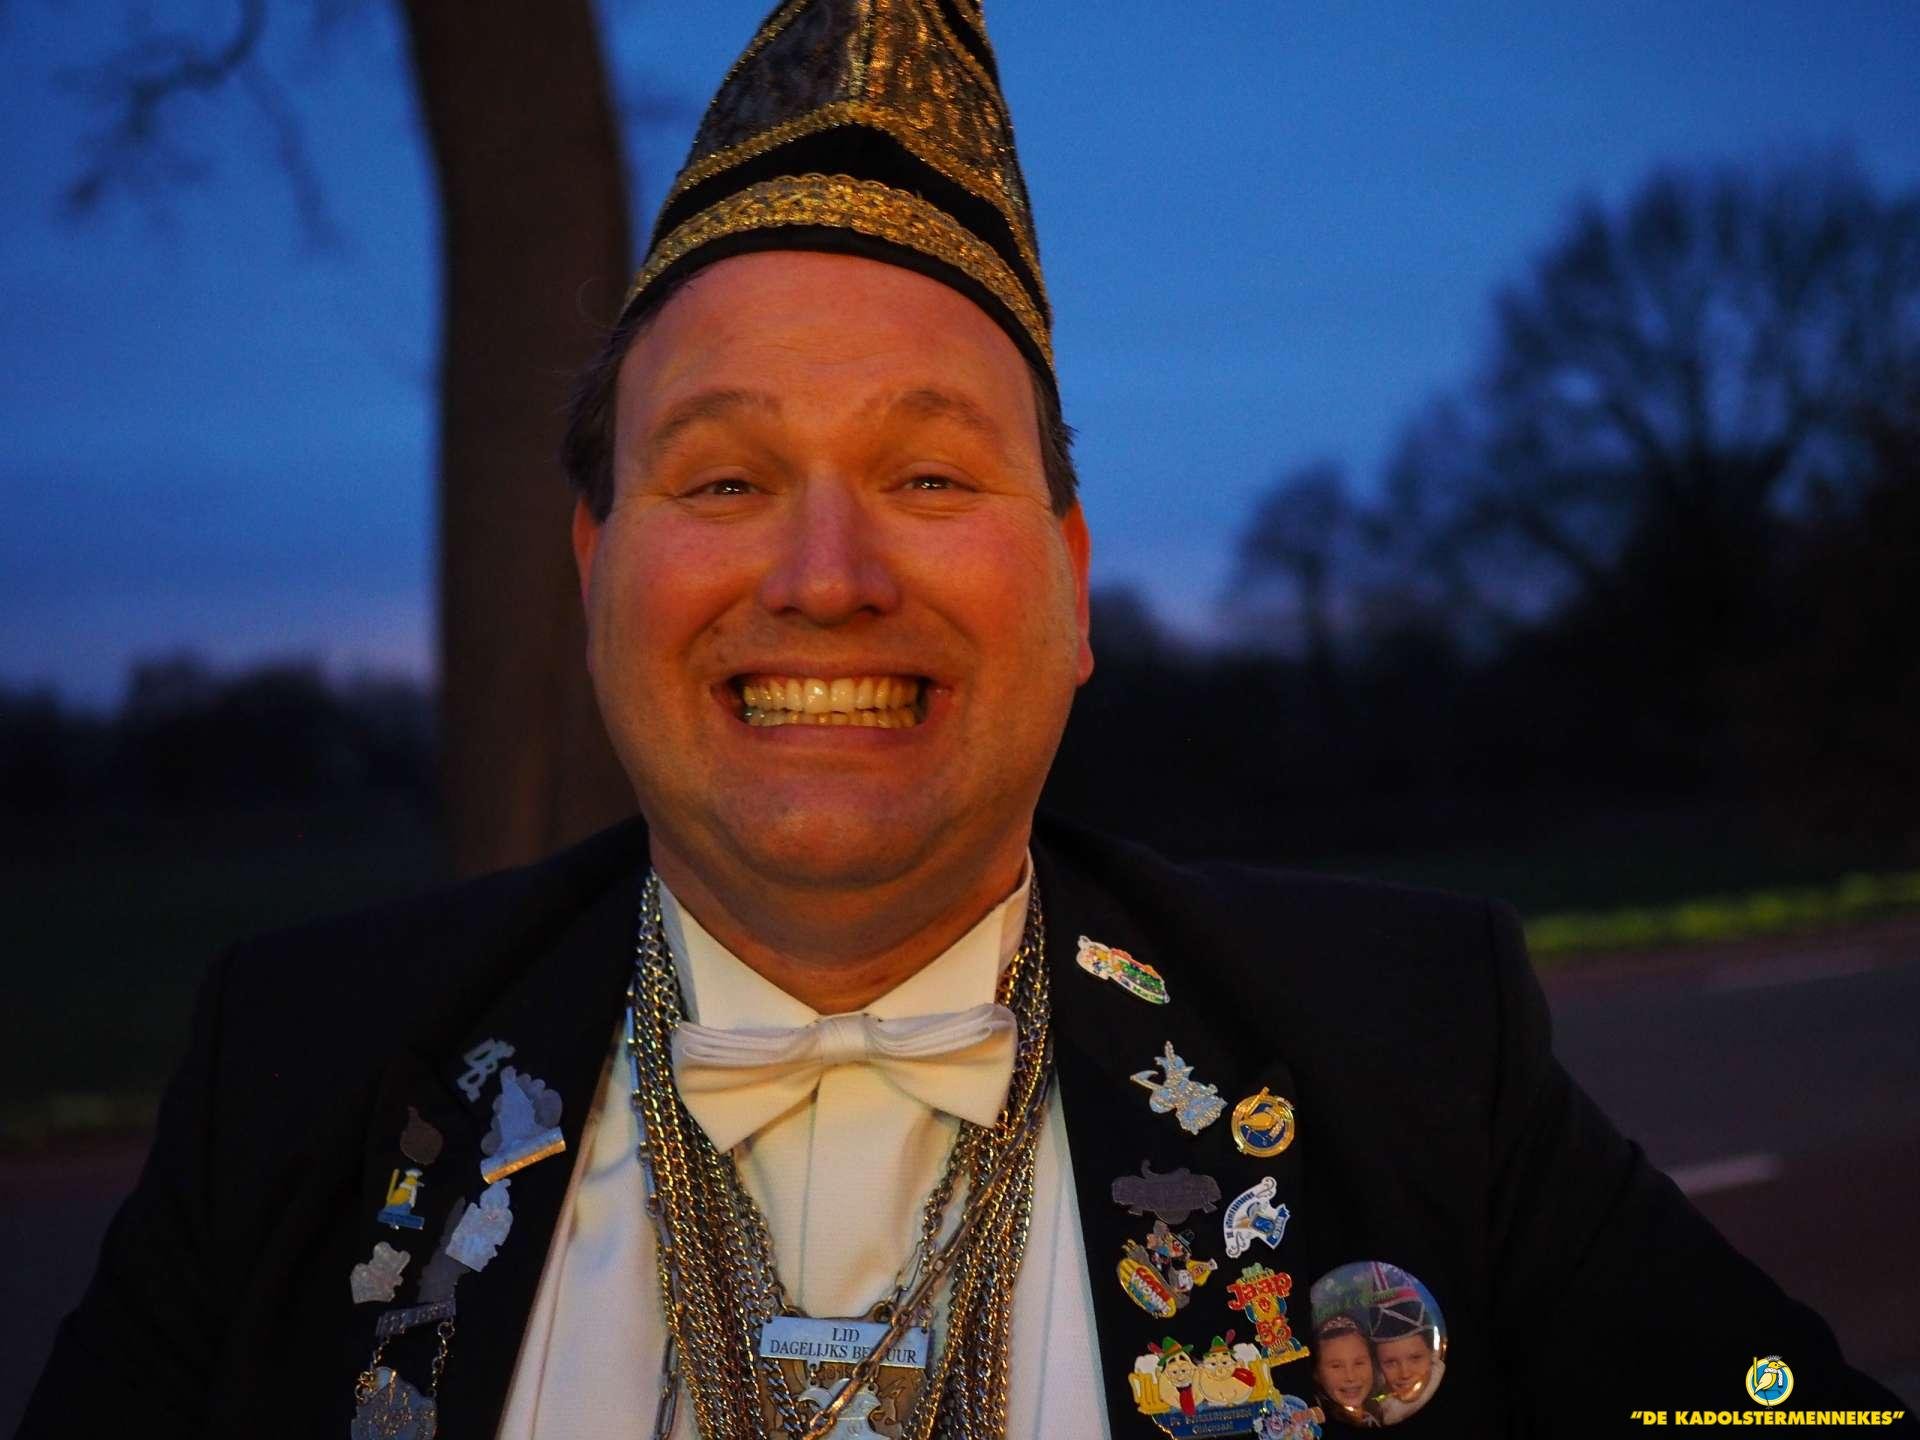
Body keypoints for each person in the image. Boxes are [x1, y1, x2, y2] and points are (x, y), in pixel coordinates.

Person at [21, 1, 1914, 1437]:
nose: (828, 574)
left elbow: (1777, 1417)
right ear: (594, 571)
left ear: (1071, 586)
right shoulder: (303, 1073)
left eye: (928, 477)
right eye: (725, 479)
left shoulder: (1413, 1050)